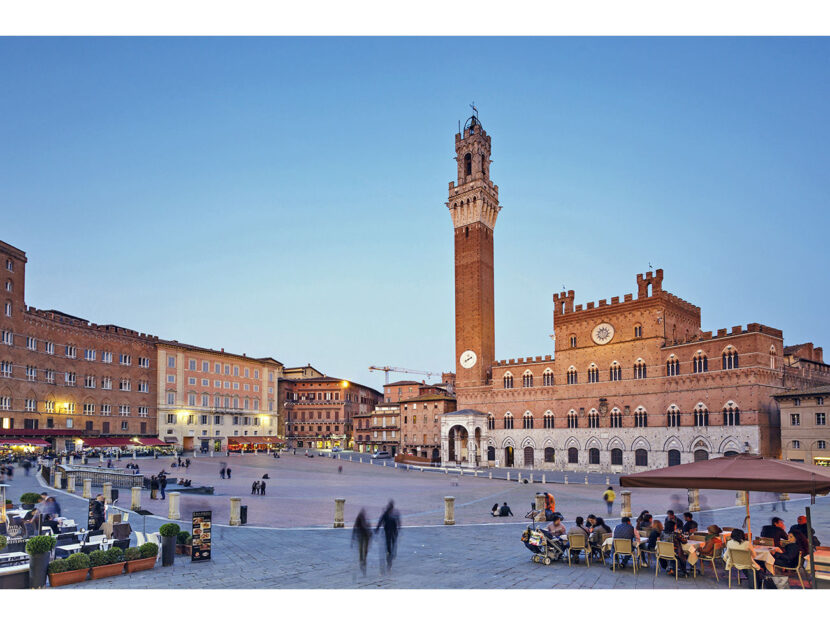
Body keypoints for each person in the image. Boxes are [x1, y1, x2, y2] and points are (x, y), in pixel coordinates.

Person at [375, 500, 400, 571]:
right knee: (389, 546)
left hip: (393, 533)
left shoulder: (394, 514)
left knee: (393, 545)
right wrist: (377, 528)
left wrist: (377, 529)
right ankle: (389, 560)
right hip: (388, 533)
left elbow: (398, 522)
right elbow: (381, 521)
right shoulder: (386, 514)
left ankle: (391, 555)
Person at [352, 509, 372, 575]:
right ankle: (362, 561)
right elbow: (354, 528)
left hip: (364, 537)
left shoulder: (364, 521)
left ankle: (363, 561)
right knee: (362, 550)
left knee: (363, 550)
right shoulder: (360, 520)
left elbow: (354, 528)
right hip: (362, 537)